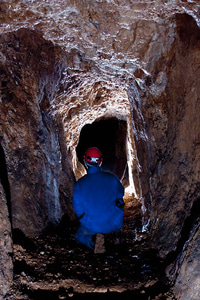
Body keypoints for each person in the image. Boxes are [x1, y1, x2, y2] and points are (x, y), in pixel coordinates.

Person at [73, 147, 124, 252]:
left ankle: (92, 241)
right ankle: (117, 235)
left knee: (80, 235)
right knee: (119, 202)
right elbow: (121, 193)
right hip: (112, 223)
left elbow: (78, 210)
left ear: (85, 161)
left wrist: (86, 220)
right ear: (100, 162)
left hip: (91, 224)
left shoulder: (79, 184)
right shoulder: (112, 178)